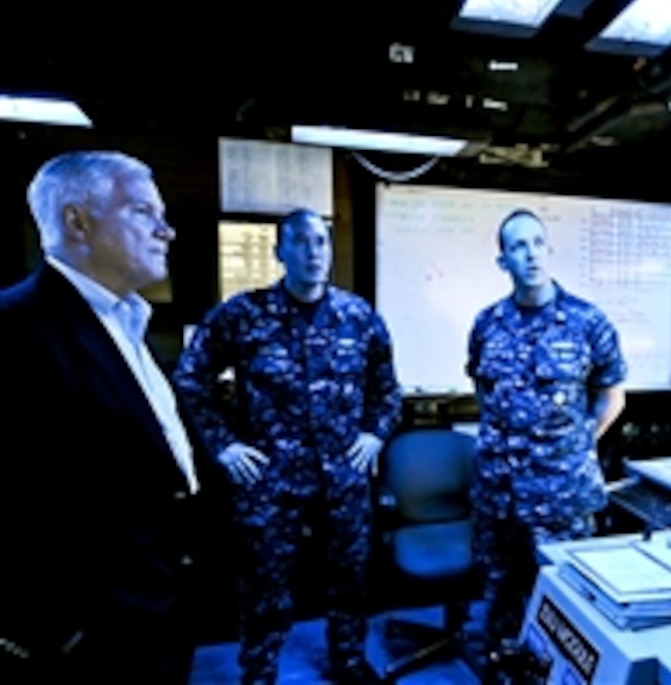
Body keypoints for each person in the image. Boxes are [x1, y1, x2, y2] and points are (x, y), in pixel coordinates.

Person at [0, 151, 213, 683]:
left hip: (162, 619)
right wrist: (51, 634)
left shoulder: (129, 321)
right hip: (90, 645)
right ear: (77, 220)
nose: (166, 231)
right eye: (143, 211)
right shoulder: (14, 329)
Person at [173, 208, 402, 684]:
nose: (313, 252)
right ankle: (259, 668)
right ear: (280, 251)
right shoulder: (243, 314)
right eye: (300, 241)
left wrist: (374, 433)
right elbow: (191, 378)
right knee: (265, 584)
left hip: (343, 476)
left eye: (321, 241)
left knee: (350, 579)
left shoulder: (358, 317)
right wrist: (224, 445)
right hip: (270, 479)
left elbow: (387, 389)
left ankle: (349, 659)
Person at [466, 208, 626, 674]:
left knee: (565, 613)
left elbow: (612, 396)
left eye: (538, 242)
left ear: (549, 250)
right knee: (499, 603)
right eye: (518, 245)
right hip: (498, 496)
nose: (531, 253)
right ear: (503, 262)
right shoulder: (487, 324)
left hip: (561, 497)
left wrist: (578, 442)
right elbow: (483, 389)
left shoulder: (587, 322)